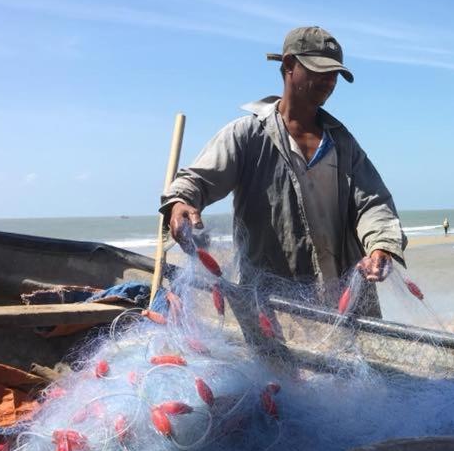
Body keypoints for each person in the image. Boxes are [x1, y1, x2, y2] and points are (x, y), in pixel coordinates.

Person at [161, 26, 407, 311]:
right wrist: (180, 203)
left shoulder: (342, 142)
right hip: (274, 307)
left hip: (343, 303)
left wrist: (380, 246)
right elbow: (197, 181)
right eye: (319, 71)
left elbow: (373, 203)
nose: (329, 81)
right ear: (289, 65)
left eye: (334, 74)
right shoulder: (247, 135)